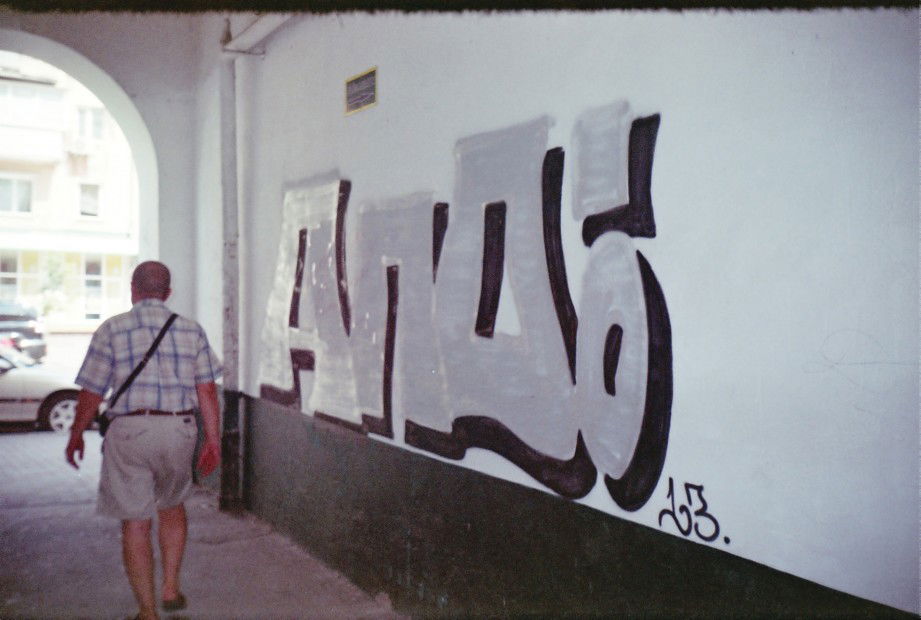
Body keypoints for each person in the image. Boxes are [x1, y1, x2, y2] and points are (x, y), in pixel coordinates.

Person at [66, 261, 222, 620]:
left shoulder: (111, 329)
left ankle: (147, 612)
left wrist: (76, 434)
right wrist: (213, 439)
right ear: (168, 293)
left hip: (130, 432)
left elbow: (91, 390)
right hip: (178, 430)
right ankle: (170, 587)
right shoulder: (190, 330)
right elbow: (207, 390)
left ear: (133, 290)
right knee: (172, 506)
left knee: (136, 521)